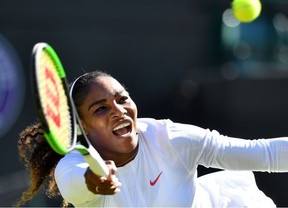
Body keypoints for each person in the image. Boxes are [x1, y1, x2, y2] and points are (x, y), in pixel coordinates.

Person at [17, 70, 288, 207]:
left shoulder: (169, 138)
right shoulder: (74, 164)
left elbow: (265, 154)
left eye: (122, 99)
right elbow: (75, 185)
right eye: (100, 109)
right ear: (83, 128)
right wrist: (93, 181)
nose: (119, 111)